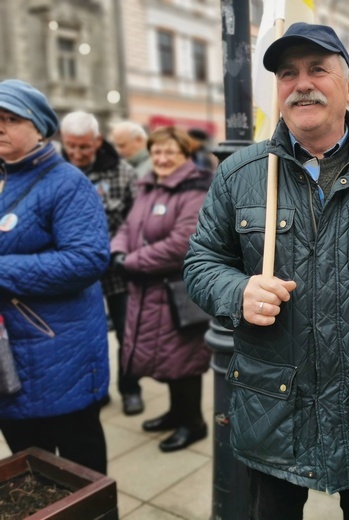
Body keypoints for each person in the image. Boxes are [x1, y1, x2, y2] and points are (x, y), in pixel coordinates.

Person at [183, 22, 349, 520]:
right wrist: (237, 291)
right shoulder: (240, 173)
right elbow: (201, 262)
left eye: (318, 69)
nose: (302, 83)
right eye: (288, 73)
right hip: (273, 404)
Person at [0, 80, 110, 473]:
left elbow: (87, 259)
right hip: (9, 354)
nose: (0, 126)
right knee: (29, 472)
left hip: (60, 355)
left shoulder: (67, 183)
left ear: (40, 127)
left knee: (81, 472)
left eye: (11, 118)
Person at [110, 126, 213, 453]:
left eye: (170, 152)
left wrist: (131, 261)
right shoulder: (148, 186)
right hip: (147, 290)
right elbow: (128, 225)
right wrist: (117, 250)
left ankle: (193, 423)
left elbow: (181, 244)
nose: (162, 158)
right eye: (157, 152)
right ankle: (176, 413)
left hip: (176, 292)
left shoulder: (194, 189)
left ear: (184, 155)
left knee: (183, 361)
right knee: (166, 359)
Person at [60, 111, 143, 416]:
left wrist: (121, 250)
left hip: (116, 268)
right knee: (84, 334)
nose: (78, 153)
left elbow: (137, 219)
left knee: (126, 332)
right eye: (72, 146)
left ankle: (130, 388)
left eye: (84, 146)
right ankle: (94, 389)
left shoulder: (122, 172)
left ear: (97, 141)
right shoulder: (56, 169)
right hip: (74, 271)